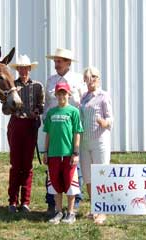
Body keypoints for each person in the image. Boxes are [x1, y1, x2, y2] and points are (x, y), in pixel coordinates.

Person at [43, 48, 86, 216]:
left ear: (68, 63)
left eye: (59, 61)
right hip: (53, 129)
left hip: (70, 129)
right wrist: (46, 121)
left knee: (73, 166)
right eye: (55, 62)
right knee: (52, 167)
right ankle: (52, 203)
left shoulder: (77, 79)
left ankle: (74, 204)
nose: (56, 65)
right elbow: (47, 103)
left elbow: (82, 102)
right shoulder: (51, 80)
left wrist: (77, 127)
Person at [3, 54, 44, 213]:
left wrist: (37, 111)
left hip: (30, 125)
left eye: (26, 68)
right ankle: (12, 201)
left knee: (27, 165)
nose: (23, 71)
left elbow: (41, 105)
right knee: (15, 165)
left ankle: (25, 202)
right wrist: (11, 107)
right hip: (16, 124)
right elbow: (5, 110)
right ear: (18, 70)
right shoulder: (12, 85)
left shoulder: (38, 86)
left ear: (29, 69)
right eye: (20, 68)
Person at [79, 66, 113, 224]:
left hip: (100, 141)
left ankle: (103, 211)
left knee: (101, 174)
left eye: (94, 76)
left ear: (98, 79)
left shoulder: (104, 96)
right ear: (85, 79)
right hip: (85, 142)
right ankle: (94, 208)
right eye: (88, 76)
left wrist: (104, 122)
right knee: (88, 177)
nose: (91, 79)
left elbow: (110, 119)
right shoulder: (84, 97)